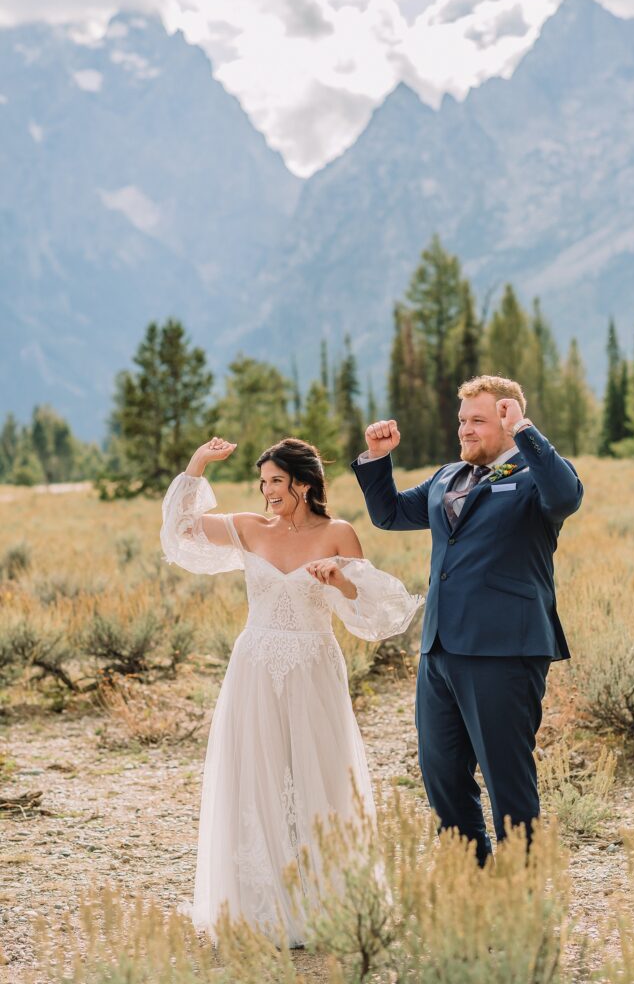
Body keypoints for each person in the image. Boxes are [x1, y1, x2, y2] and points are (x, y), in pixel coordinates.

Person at [160, 435, 423, 945]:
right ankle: (257, 902)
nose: (267, 492)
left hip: (313, 666)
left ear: (303, 483)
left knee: (317, 774)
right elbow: (180, 530)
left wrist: (341, 582)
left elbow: (377, 613)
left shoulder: (339, 533)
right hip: (254, 666)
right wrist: (198, 465)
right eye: (262, 483)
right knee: (257, 772)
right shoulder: (249, 529)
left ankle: (323, 899)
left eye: (276, 481)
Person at [352, 375, 583, 866]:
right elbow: (389, 514)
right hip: (439, 650)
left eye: (478, 420)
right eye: (462, 421)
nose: (466, 430)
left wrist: (525, 430)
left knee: (507, 778)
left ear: (506, 419)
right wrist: (377, 458)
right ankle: (470, 883)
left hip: (504, 649)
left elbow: (566, 497)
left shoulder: (534, 474)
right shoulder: (446, 477)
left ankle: (520, 894)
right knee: (441, 774)